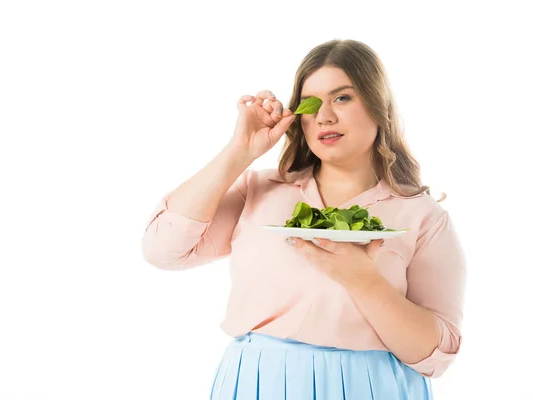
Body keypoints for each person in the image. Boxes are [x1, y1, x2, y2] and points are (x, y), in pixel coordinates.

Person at [141, 39, 466, 400]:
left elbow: (436, 358)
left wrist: (364, 282)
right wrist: (239, 151)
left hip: (372, 389)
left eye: (342, 98)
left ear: (377, 106)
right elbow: (162, 249)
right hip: (257, 385)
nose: (324, 116)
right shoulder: (259, 190)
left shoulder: (422, 216)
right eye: (312, 104)